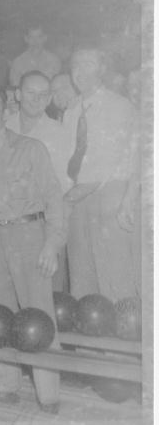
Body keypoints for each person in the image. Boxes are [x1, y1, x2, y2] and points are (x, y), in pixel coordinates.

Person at [0, 86, 63, 414]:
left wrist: (51, 244)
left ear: (5, 112)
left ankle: (49, 395)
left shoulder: (31, 148)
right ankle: (6, 385)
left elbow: (54, 198)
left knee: (39, 314)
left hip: (30, 235)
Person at [63, 49, 140, 302]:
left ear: (102, 70)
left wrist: (72, 196)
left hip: (108, 196)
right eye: (77, 65)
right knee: (81, 276)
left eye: (89, 64)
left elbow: (111, 159)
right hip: (77, 200)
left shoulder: (119, 105)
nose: (82, 71)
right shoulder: (71, 109)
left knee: (114, 277)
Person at [7, 71, 73, 292]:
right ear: (17, 94)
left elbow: (62, 191)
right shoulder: (2, 127)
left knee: (47, 296)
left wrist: (53, 241)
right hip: (7, 226)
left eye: (43, 94)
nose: (37, 99)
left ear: (49, 98)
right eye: (30, 92)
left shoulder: (59, 134)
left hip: (44, 226)